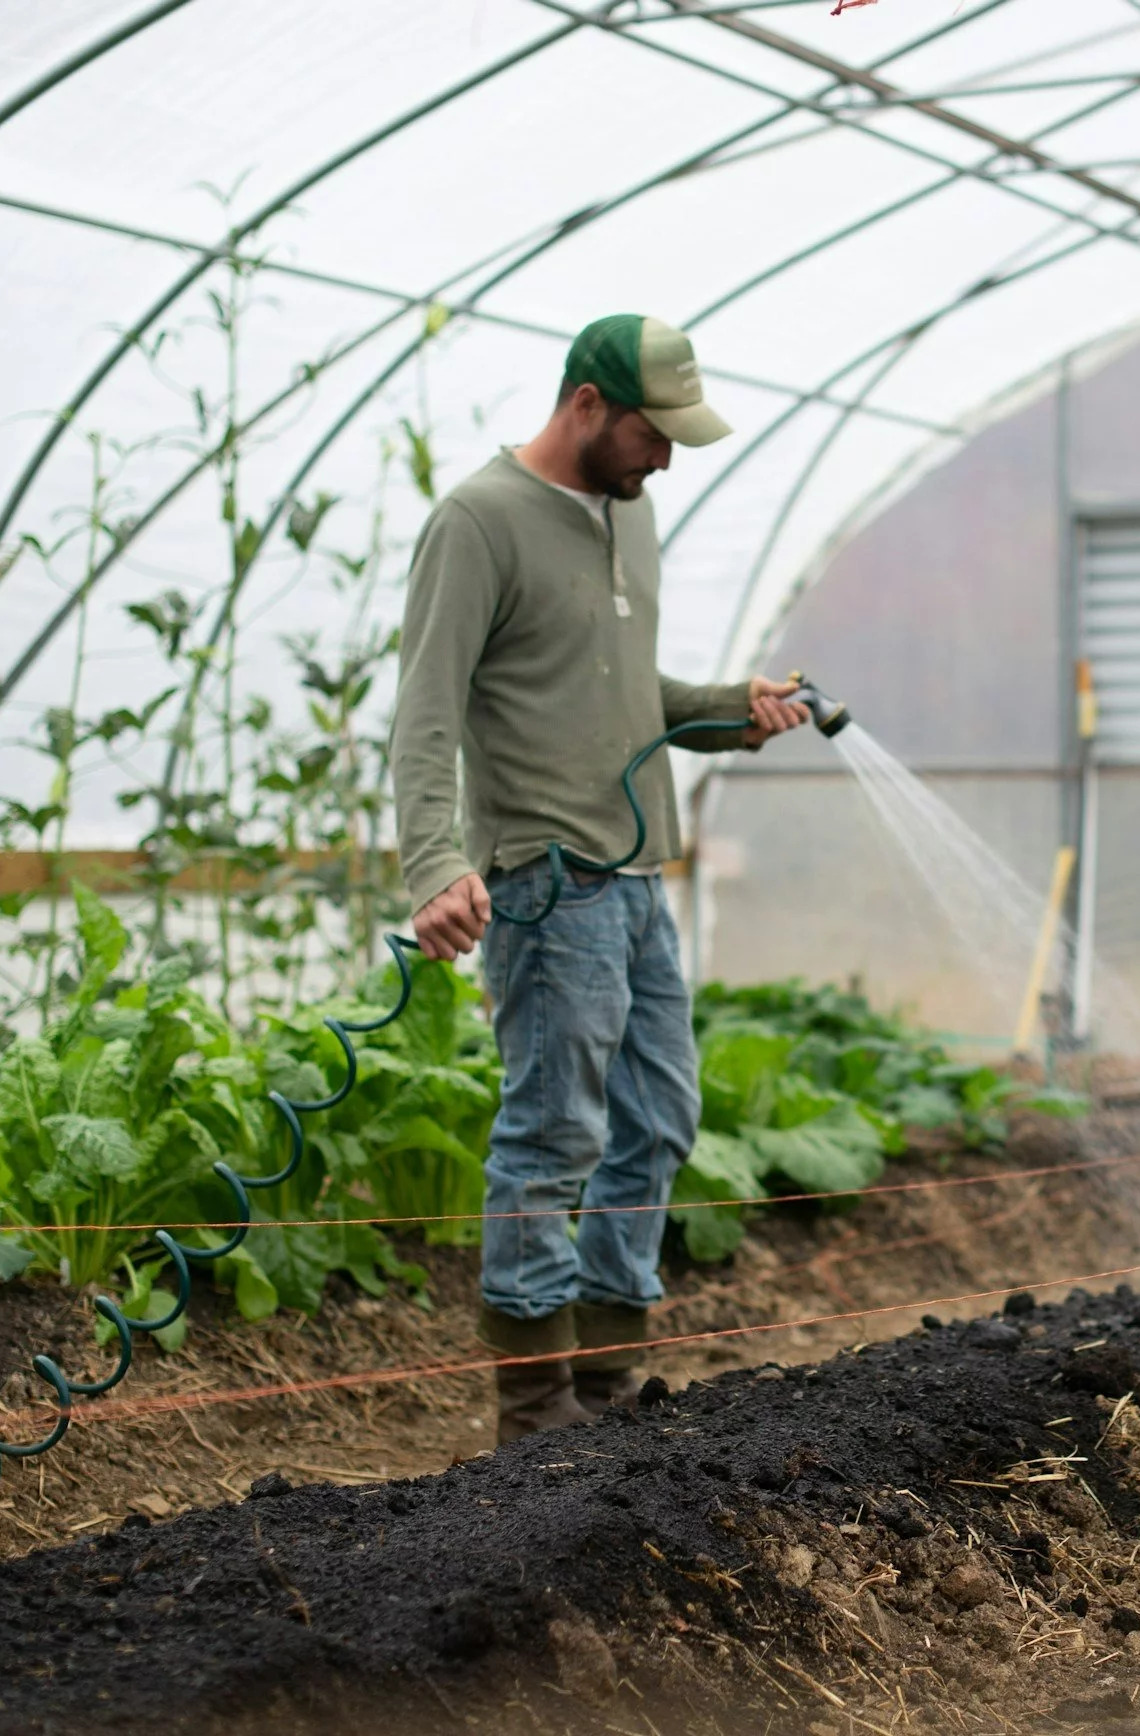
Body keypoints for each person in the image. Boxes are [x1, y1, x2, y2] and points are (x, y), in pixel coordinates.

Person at [390, 313, 809, 1445]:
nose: (667, 455)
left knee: (660, 1113)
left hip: (635, 880)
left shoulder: (633, 512)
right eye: (652, 432)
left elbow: (625, 695)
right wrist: (435, 863)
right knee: (552, 1133)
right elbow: (425, 713)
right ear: (586, 404)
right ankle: (534, 1410)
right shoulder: (479, 522)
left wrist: (735, 710)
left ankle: (609, 1389)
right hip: (546, 881)